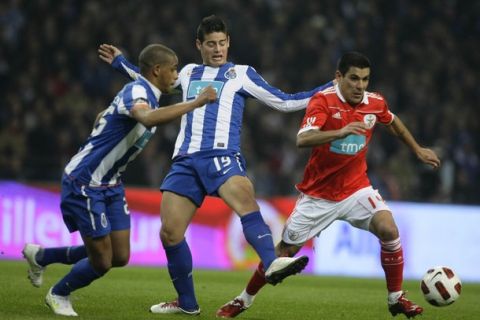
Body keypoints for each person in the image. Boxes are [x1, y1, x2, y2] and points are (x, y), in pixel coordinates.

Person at [98, 15, 334, 315]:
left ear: (229, 43)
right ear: (199, 45)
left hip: (222, 156)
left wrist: (332, 87)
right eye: (211, 44)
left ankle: (271, 262)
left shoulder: (241, 74)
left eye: (222, 43)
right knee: (169, 233)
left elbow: (285, 102)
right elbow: (151, 81)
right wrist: (121, 63)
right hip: (184, 161)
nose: (218, 49)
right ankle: (187, 303)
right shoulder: (187, 72)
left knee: (244, 200)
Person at [216, 51, 441, 319]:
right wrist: (341, 131)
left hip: (357, 189)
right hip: (318, 196)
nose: (360, 86)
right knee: (284, 253)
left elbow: (392, 122)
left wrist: (417, 149)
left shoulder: (375, 102)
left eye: (365, 79)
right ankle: (243, 300)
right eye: (354, 79)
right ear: (338, 77)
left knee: (389, 229)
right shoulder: (323, 101)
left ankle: (396, 298)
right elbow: (303, 139)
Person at [22, 43, 217, 317]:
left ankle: (42, 257)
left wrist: (119, 64)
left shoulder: (147, 89)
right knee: (101, 261)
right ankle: (59, 293)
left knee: (120, 256)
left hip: (110, 183)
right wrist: (195, 103)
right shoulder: (138, 92)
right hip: (85, 181)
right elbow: (146, 117)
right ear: (158, 70)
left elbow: (141, 89)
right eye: (173, 69)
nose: (177, 75)